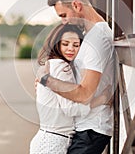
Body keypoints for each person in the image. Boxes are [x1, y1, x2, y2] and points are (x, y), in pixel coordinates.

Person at [37, 0, 115, 154]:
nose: (64, 22)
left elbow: (84, 93)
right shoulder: (89, 36)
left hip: (92, 130)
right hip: (83, 127)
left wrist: (46, 80)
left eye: (64, 15)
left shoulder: (98, 39)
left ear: (77, 5)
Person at [30, 23, 108, 154]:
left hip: (46, 138)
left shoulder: (51, 64)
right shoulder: (62, 67)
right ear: (56, 44)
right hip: (53, 142)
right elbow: (70, 109)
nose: (71, 49)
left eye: (76, 45)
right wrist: (102, 99)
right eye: (65, 44)